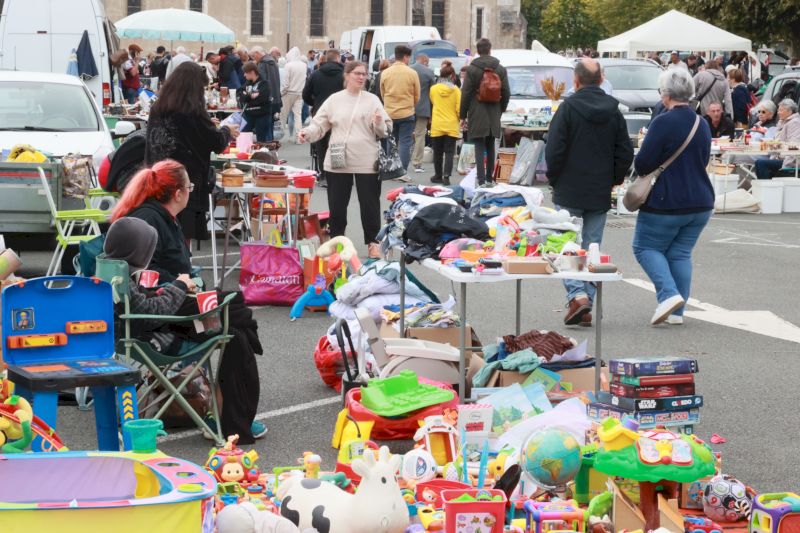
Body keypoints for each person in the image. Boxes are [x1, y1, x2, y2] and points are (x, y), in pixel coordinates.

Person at [109, 163, 265, 443]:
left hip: (168, 311)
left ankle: (227, 418)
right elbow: (150, 288)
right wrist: (181, 284)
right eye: (190, 187)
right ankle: (230, 422)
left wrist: (184, 283)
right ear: (178, 193)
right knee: (236, 314)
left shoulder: (157, 218)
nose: (192, 192)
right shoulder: (148, 221)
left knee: (236, 324)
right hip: (168, 322)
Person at [545, 58, 633, 327]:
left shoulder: (567, 108)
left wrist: (554, 178)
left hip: (569, 186)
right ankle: (586, 302)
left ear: (575, 80)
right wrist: (614, 179)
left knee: (566, 245)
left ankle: (577, 295)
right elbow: (624, 151)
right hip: (599, 187)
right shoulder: (614, 111)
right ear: (601, 79)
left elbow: (554, 149)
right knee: (592, 246)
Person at [633, 68, 714, 326]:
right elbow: (703, 160)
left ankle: (668, 295)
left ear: (666, 95)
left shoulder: (662, 122)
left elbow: (643, 164)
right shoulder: (701, 123)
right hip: (700, 200)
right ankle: (677, 312)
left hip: (666, 201)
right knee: (680, 253)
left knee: (645, 247)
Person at [298, 61, 392, 258]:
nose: (361, 77)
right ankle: (337, 242)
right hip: (338, 159)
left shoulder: (372, 99)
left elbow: (385, 130)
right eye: (357, 73)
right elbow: (319, 124)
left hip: (367, 159)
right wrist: (307, 133)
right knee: (337, 206)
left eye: (364, 74)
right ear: (347, 75)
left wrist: (378, 123)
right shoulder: (335, 100)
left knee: (370, 205)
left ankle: (373, 243)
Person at [145, 62, 238, 242]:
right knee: (182, 236)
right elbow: (216, 142)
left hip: (156, 177)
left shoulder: (159, 107)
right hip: (185, 181)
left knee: (160, 233)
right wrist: (227, 131)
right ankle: (182, 261)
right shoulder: (191, 111)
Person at [460, 38, 510, 186]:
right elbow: (506, 92)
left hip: (476, 110)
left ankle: (481, 180)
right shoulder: (500, 69)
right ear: (490, 49)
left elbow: (466, 93)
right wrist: (501, 109)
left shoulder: (472, 69)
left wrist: (463, 115)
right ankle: (489, 178)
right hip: (494, 110)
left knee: (479, 145)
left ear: (478, 50)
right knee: (490, 144)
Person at [303, 48, 344, 186]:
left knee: (321, 143)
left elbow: (305, 94)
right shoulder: (344, 75)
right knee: (338, 141)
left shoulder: (316, 74)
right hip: (340, 112)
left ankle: (324, 174)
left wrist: (314, 103)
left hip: (320, 111)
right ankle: (337, 173)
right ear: (338, 59)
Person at [381, 45, 420, 172]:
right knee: (405, 142)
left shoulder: (385, 73)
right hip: (406, 112)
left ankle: (391, 169)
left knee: (391, 141)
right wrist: (411, 105)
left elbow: (383, 92)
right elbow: (417, 95)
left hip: (389, 113)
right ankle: (402, 171)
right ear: (405, 57)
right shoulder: (412, 73)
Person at [428, 64, 461, 186]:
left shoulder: (433, 89)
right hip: (451, 124)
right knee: (449, 152)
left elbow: (433, 102)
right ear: (451, 76)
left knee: (437, 152)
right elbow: (459, 109)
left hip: (437, 124)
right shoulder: (456, 90)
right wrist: (460, 119)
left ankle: (438, 175)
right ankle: (446, 176)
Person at [754, 99, 800, 179]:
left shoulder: (794, 123)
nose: (778, 112)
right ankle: (769, 185)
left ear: (790, 111)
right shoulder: (783, 122)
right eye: (778, 110)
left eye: (781, 110)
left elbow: (794, 146)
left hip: (791, 162)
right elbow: (779, 143)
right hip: (780, 158)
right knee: (759, 163)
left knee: (760, 163)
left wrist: (785, 167)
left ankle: (768, 186)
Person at [410, 54, 435, 174]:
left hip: (408, 107)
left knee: (405, 136)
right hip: (423, 108)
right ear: (425, 61)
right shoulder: (429, 72)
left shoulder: (408, 69)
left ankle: (401, 161)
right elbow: (433, 92)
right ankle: (417, 163)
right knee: (420, 135)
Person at [251, 46, 282, 140]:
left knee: (265, 127)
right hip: (275, 97)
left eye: (253, 56)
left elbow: (261, 82)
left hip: (267, 98)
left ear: (257, 53)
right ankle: (270, 145)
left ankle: (267, 146)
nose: (254, 59)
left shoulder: (263, 63)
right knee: (270, 125)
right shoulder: (273, 61)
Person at [238, 62, 272, 142]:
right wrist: (250, 96)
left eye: (246, 73)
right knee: (243, 136)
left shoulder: (264, 83)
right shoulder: (247, 83)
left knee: (262, 140)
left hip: (262, 115)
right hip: (248, 114)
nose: (244, 75)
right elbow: (239, 95)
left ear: (252, 72)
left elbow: (262, 99)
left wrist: (247, 98)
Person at [281, 47, 308, 142]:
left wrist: (281, 92)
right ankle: (299, 138)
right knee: (298, 116)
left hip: (288, 93)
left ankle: (279, 136)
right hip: (299, 93)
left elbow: (286, 82)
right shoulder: (304, 65)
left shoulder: (288, 65)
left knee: (283, 115)